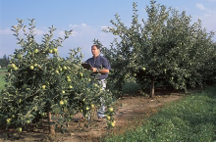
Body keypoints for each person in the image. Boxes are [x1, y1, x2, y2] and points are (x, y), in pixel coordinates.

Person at [85, 44, 111, 120]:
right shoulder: (89, 60)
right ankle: (87, 116)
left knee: (101, 98)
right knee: (88, 97)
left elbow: (107, 70)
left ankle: (101, 115)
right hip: (92, 81)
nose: (92, 51)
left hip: (100, 81)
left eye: (94, 49)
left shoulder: (103, 59)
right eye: (92, 49)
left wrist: (96, 70)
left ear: (98, 50)